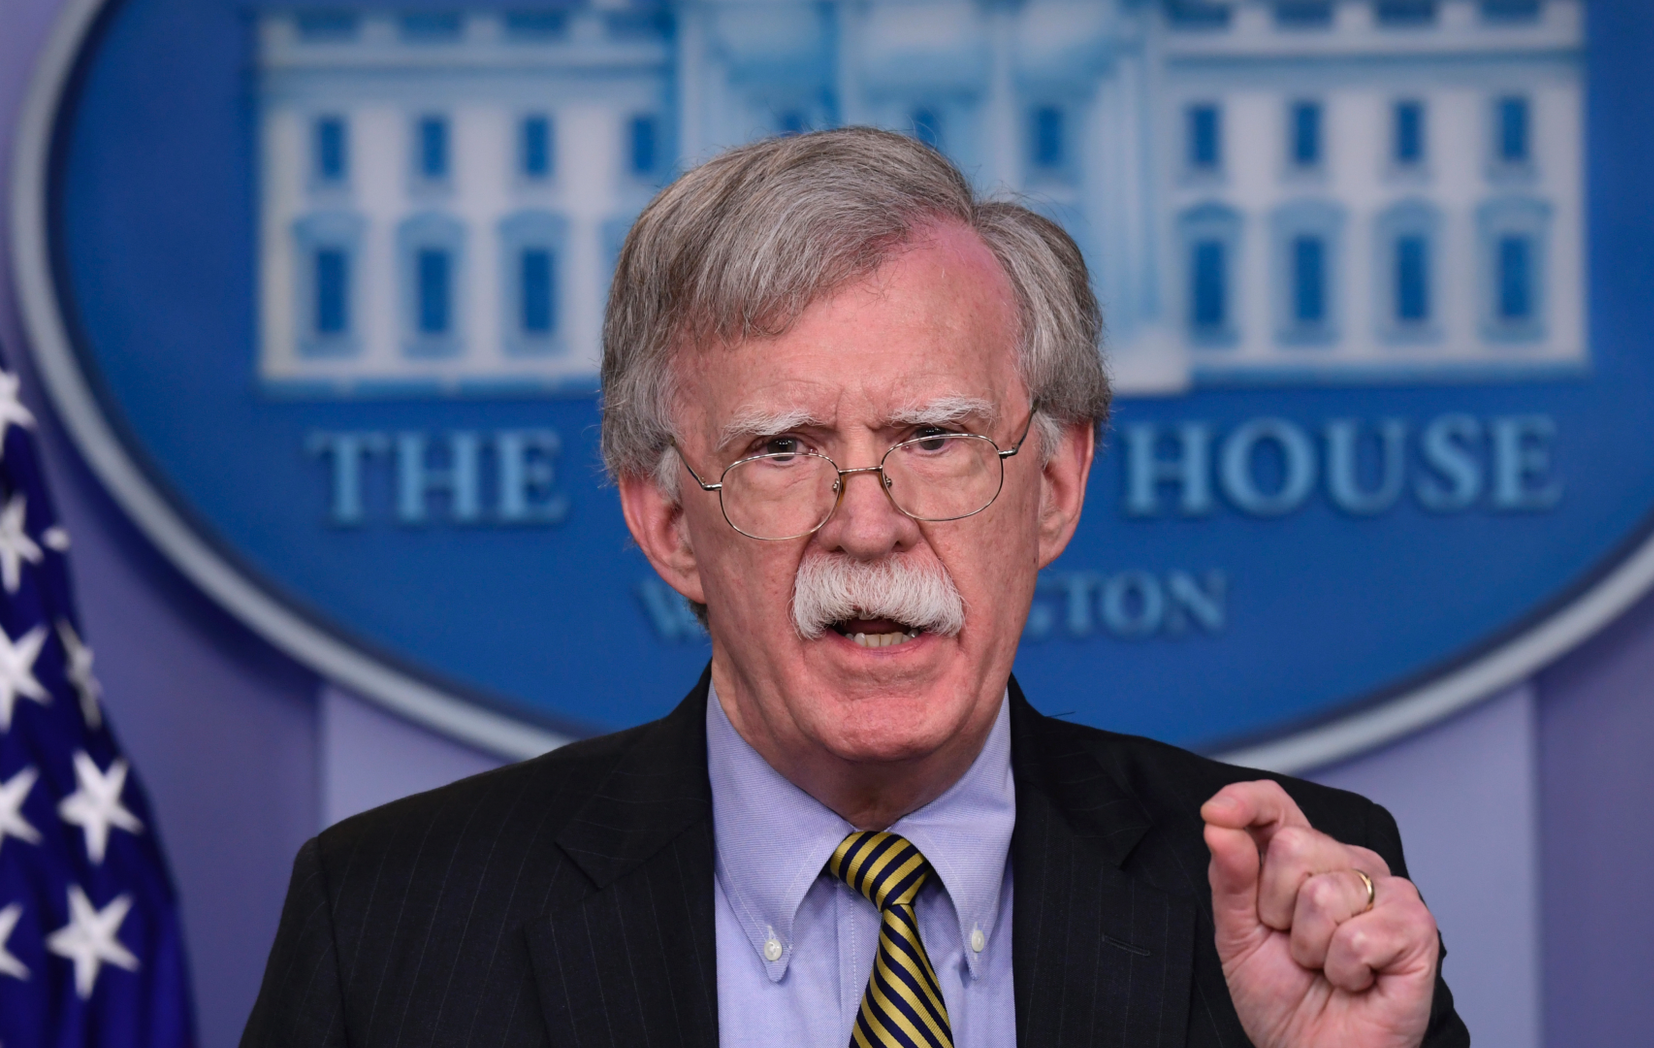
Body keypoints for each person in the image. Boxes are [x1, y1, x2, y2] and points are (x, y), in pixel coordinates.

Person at [243, 128, 1467, 1048]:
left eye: (934, 437)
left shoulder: (1288, 902)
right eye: (780, 451)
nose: (869, 525)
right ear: (668, 521)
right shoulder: (391, 927)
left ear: (1051, 483)